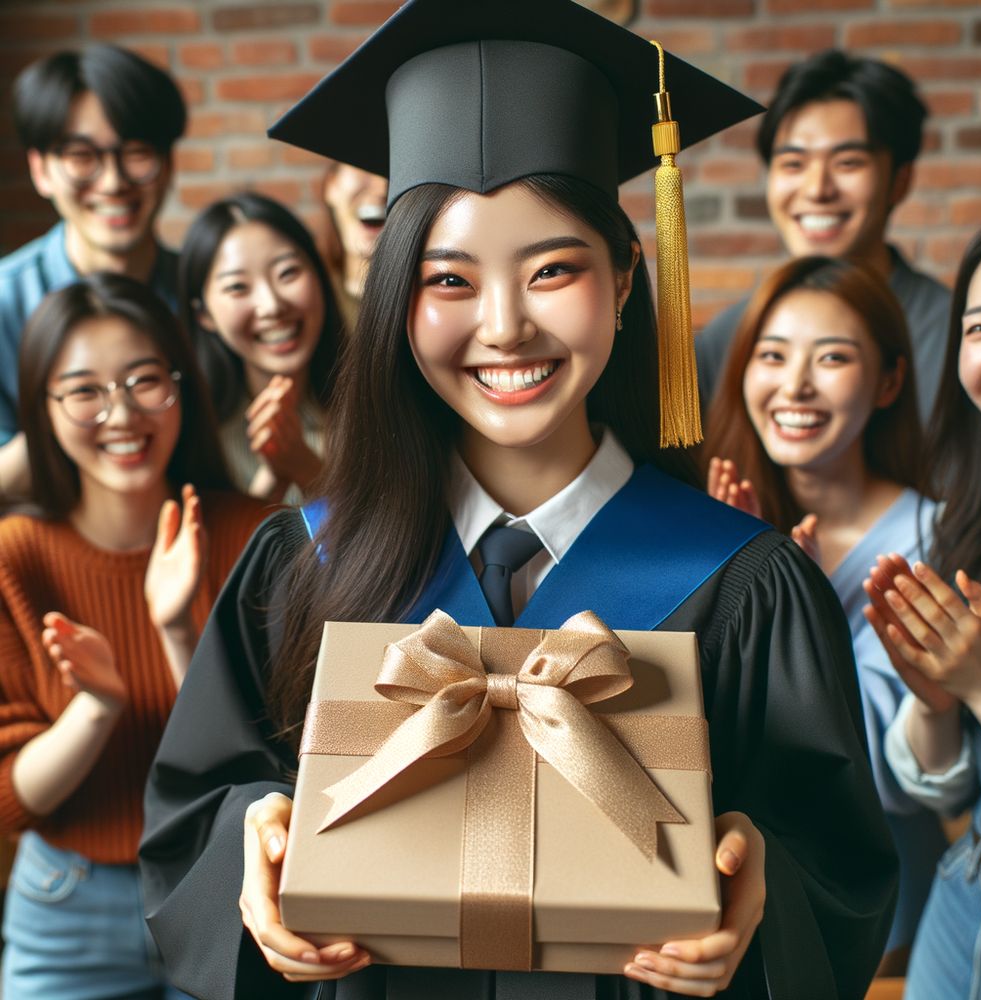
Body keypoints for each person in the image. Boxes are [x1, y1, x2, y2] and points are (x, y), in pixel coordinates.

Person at [139, 3, 897, 999]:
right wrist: (255, 837)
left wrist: (760, 874)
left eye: (551, 270)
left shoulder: (748, 587)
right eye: (448, 278)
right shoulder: (298, 564)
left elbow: (838, 865)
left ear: (627, 278)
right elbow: (191, 815)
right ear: (396, 298)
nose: (505, 327)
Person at [0, 273, 267, 999]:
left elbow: (274, 763)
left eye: (145, 381)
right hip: (69, 904)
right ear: (43, 410)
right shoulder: (15, 555)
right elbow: (12, 795)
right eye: (84, 391)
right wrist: (94, 705)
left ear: (181, 386)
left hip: (232, 887)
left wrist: (181, 632)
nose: (121, 413)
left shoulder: (255, 534)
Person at [702, 255, 948, 973]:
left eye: (832, 357)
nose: (795, 385)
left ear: (890, 381)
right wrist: (724, 592)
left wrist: (799, 619)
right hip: (723, 902)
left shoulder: (936, 541)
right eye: (771, 355)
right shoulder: (718, 523)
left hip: (880, 923)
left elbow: (896, 773)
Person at [866, 215, 981, 1000]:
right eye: (980, 327)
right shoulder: (973, 524)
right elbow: (949, 790)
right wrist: (934, 701)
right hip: (964, 911)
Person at [695, 50, 950, 428]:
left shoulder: (952, 335)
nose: (817, 189)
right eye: (793, 164)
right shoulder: (726, 339)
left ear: (900, 180)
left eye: (847, 163)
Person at [0, 43, 185, 499]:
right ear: (41, 170)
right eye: (82, 157)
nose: (112, 182)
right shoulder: (5, 302)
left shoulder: (207, 289)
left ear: (168, 165)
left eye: (137, 152)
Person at [180, 193, 342, 502]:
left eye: (288, 273)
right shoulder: (195, 433)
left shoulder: (380, 402)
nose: (271, 305)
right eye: (238, 287)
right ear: (204, 314)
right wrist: (272, 478)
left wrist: (305, 467)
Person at [319, 163, 388, 333]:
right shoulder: (310, 300)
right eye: (365, 168)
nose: (382, 189)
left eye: (395, 171)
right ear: (331, 185)